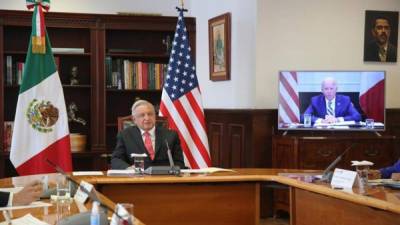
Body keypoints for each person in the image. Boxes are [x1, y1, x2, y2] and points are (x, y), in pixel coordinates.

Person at [111, 100, 184, 169]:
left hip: (165, 178)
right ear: (134, 119)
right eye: (142, 115)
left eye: (150, 114)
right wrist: (128, 168)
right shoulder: (125, 135)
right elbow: (116, 159)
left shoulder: (171, 135)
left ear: (155, 116)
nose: (147, 118)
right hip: (137, 179)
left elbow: (179, 163)